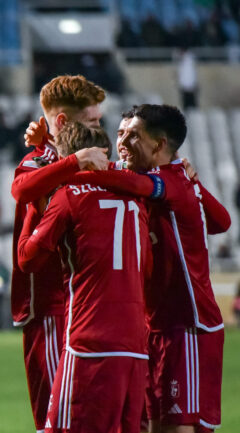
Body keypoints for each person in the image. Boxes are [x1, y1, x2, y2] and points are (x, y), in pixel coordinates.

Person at [18, 122, 150, 433]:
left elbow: (27, 259)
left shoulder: (68, 195)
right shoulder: (135, 194)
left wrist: (35, 208)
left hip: (90, 343)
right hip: (136, 345)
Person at [118, 104, 230, 433]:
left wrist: (77, 168)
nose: (123, 141)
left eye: (133, 135)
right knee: (156, 422)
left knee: (181, 424)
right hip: (156, 324)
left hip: (188, 325)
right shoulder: (168, 179)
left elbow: (221, 221)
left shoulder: (164, 182)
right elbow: (221, 221)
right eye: (121, 132)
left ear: (158, 143)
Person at [9, 75, 109, 433]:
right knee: (56, 422)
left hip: (86, 310)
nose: (100, 130)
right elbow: (21, 188)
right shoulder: (40, 162)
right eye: (93, 122)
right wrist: (74, 160)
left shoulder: (80, 161)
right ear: (65, 122)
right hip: (50, 309)